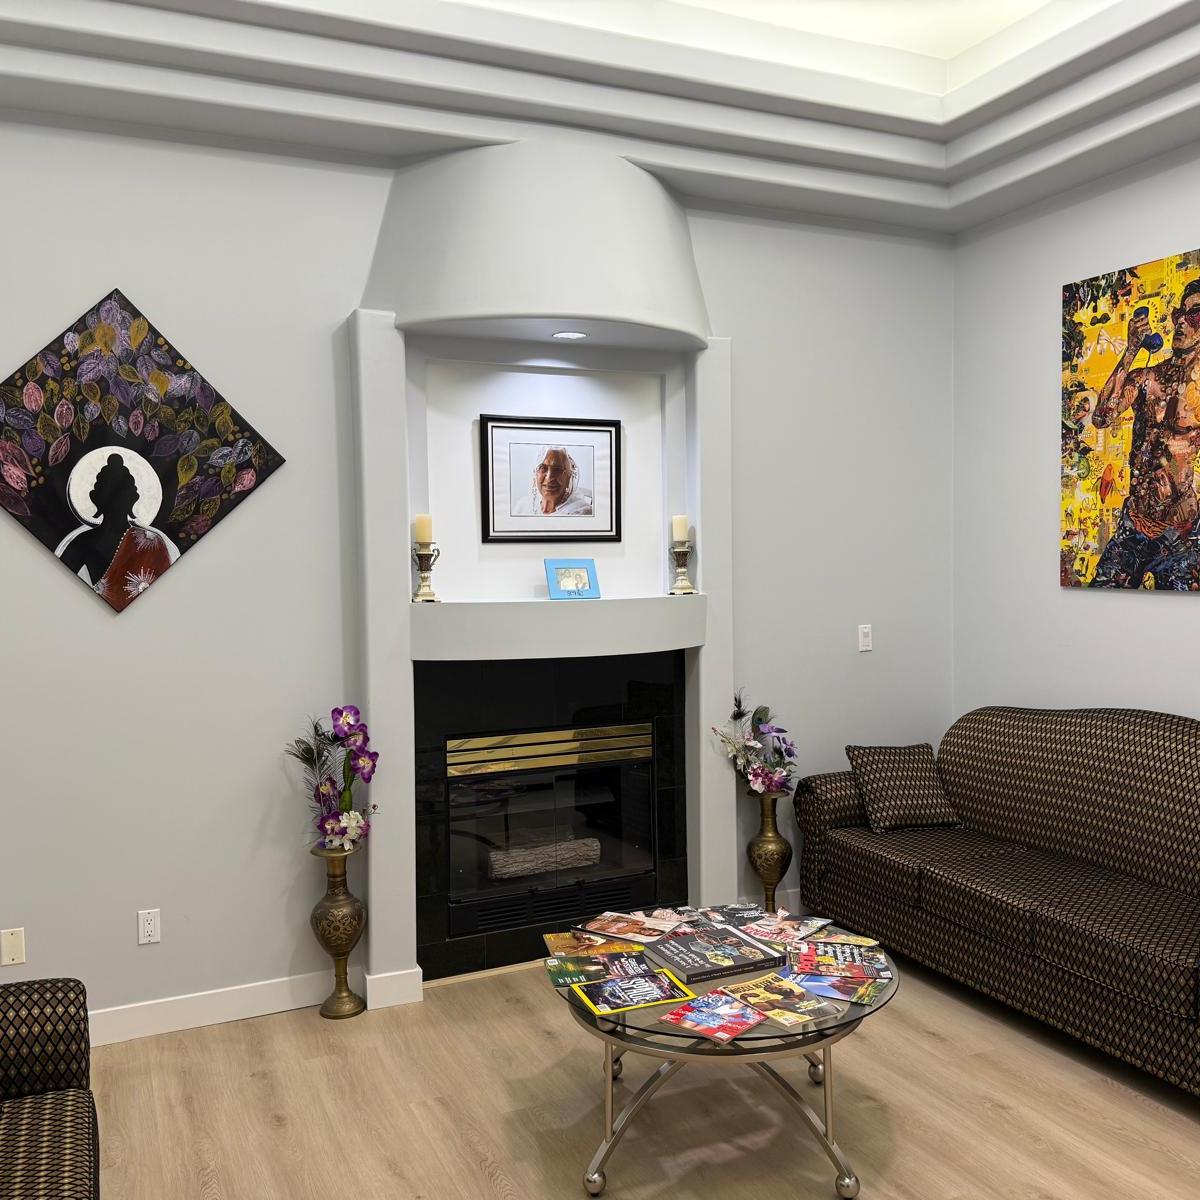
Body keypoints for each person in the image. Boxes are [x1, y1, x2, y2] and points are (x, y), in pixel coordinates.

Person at [1090, 279, 1200, 588]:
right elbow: (1101, 417)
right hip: (1134, 526)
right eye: (1179, 313)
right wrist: (1131, 350)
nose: (1181, 321)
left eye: (1195, 314)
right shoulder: (1149, 378)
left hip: (1181, 535)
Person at [56, 452, 178, 610]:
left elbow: (168, 592)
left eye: (121, 496)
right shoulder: (82, 542)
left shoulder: (152, 542)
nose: (116, 504)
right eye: (112, 497)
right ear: (96, 498)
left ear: (133, 498)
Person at [512, 446, 593, 516]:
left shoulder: (580, 513)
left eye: (557, 469)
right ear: (535, 474)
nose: (549, 477)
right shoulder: (523, 506)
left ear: (569, 477)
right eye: (542, 468)